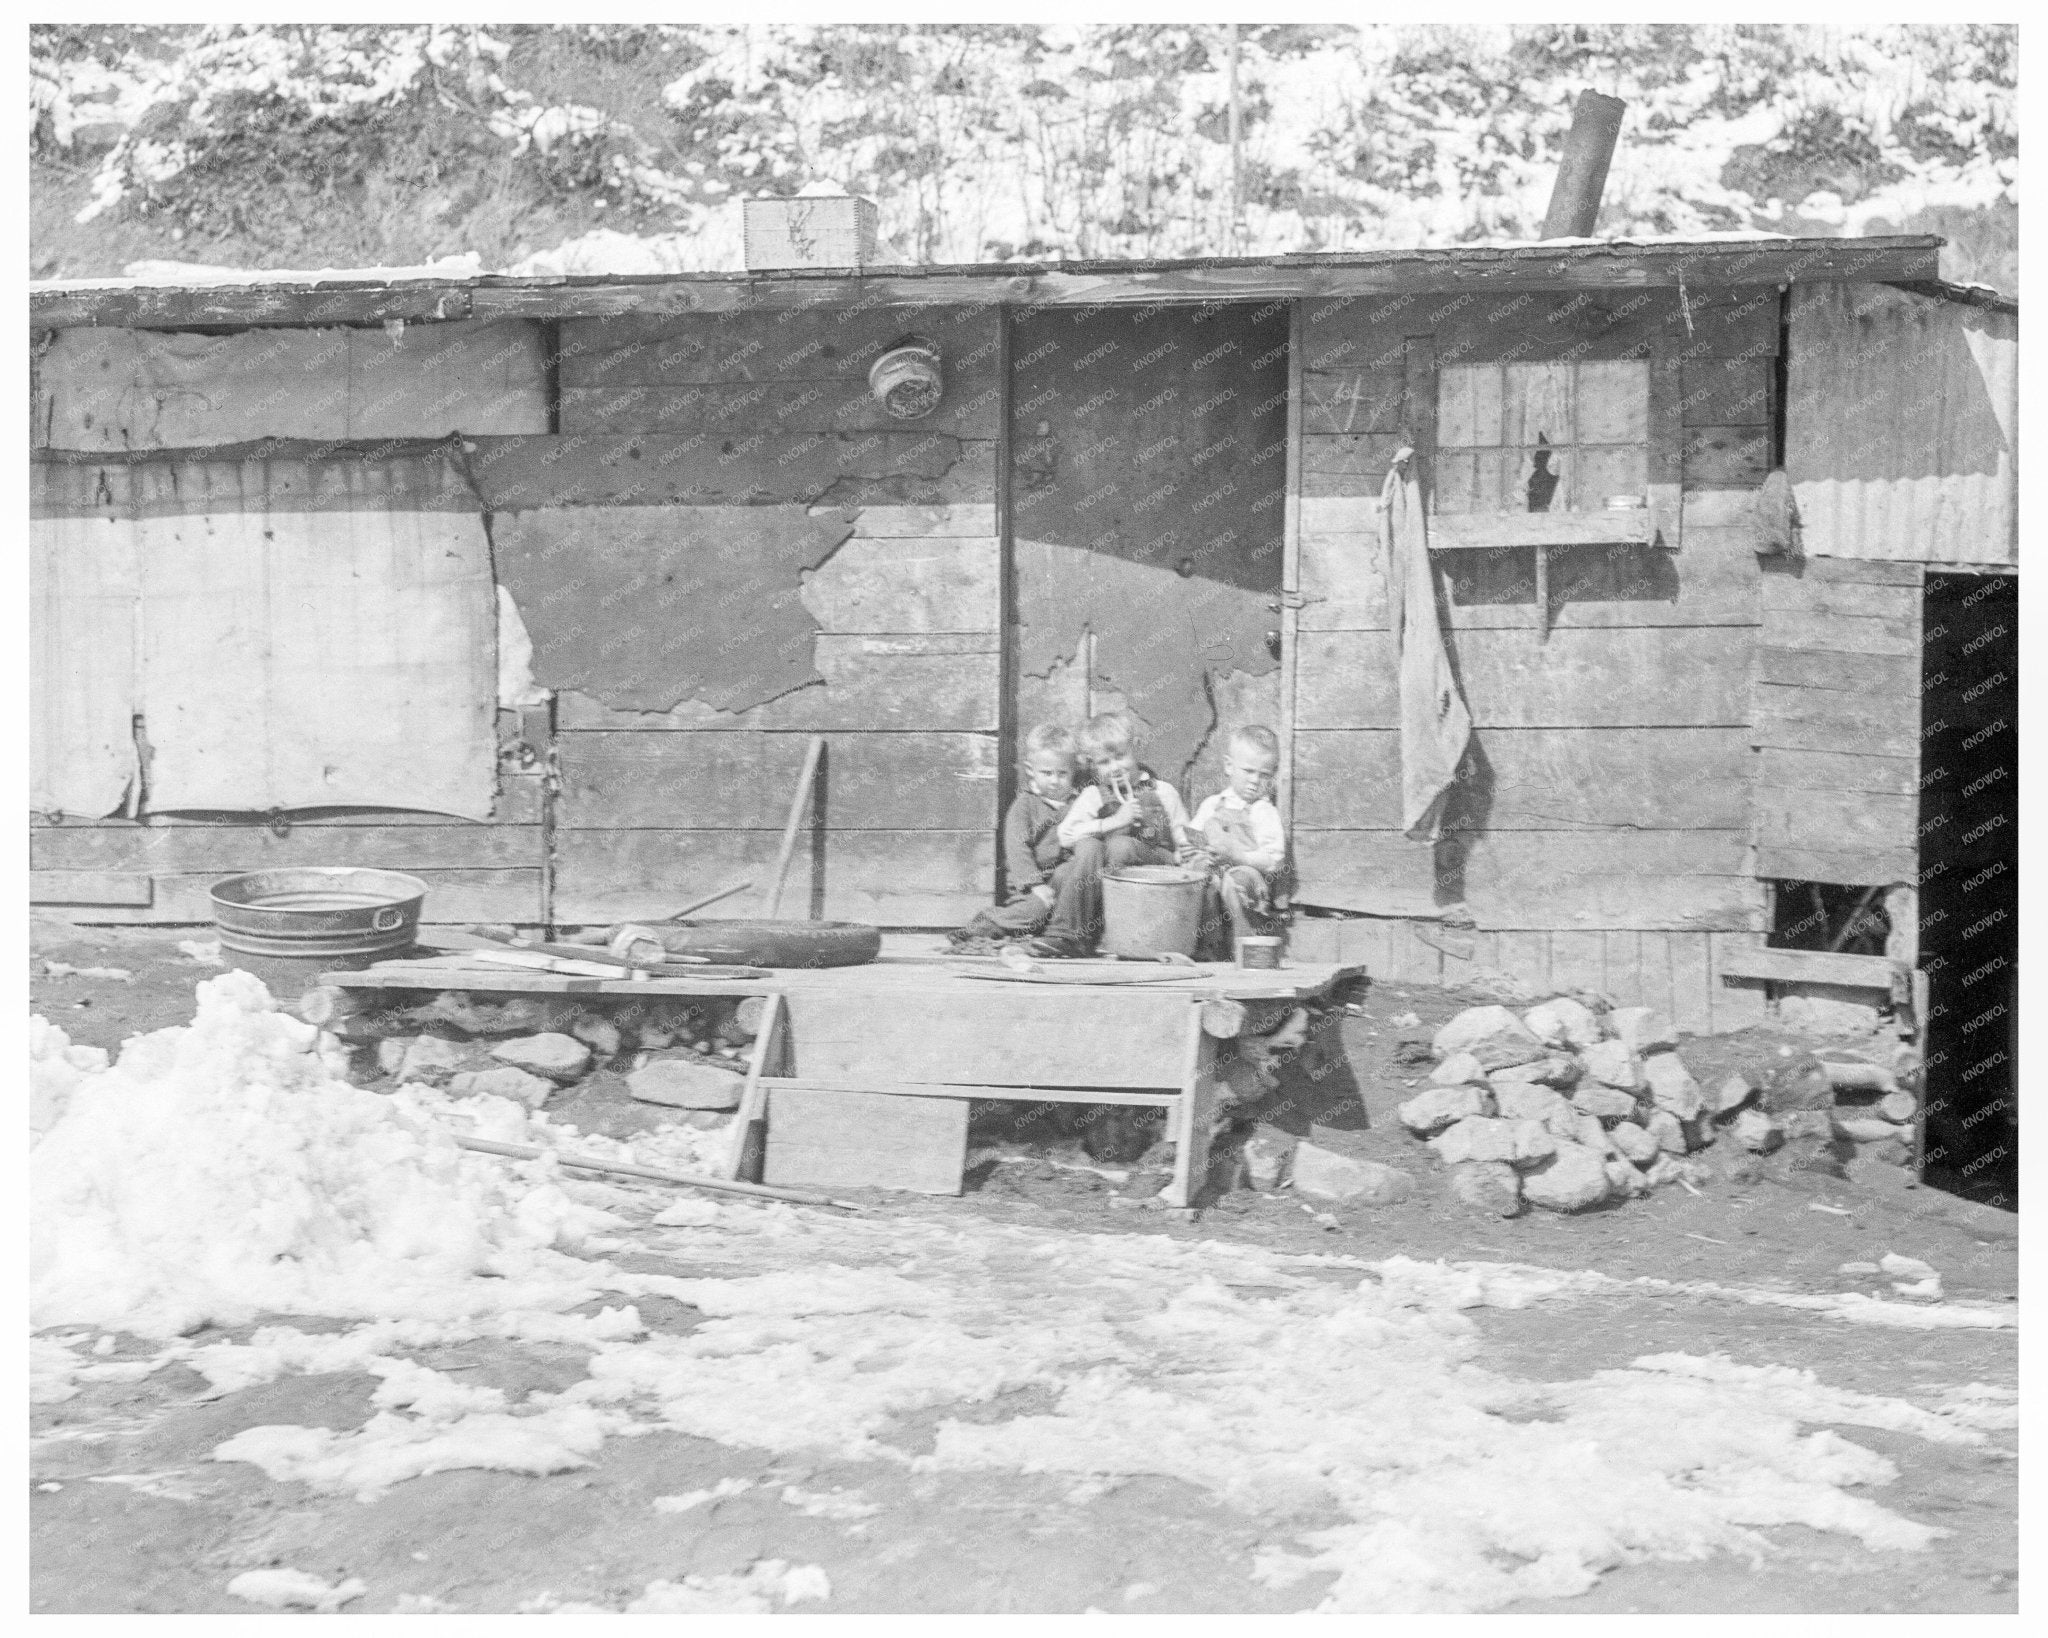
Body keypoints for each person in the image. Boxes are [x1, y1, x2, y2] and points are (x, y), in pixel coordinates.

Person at [1025, 713, 1198, 957]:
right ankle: (1066, 934)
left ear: (1135, 749)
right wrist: (1113, 822)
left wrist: (1186, 850)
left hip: (1157, 871)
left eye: (1120, 757)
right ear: (1093, 764)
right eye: (1104, 762)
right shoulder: (1094, 795)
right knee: (1083, 851)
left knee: (1120, 846)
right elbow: (1066, 836)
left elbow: (1185, 835)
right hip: (1106, 876)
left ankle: (1110, 933)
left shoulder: (1163, 791)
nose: (1114, 768)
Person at [950, 723, 1091, 949]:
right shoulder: (1025, 806)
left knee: (1068, 879)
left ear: (1073, 772)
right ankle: (990, 922)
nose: (1054, 781)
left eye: (1062, 773)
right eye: (1047, 773)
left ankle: (1058, 934)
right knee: (1038, 909)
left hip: (1063, 880)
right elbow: (1018, 849)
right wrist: (1034, 885)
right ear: (1030, 770)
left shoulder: (1079, 802)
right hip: (1031, 885)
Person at [1186, 724, 1288, 954]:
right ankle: (1205, 949)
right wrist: (1188, 849)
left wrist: (1237, 856)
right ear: (1229, 766)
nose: (1255, 781)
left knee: (1235, 882)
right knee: (1198, 876)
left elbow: (1273, 861)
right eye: (1248, 771)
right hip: (1214, 870)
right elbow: (1193, 837)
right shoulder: (1213, 804)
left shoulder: (1263, 812)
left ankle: (1245, 949)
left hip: (1249, 875)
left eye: (1265, 775)